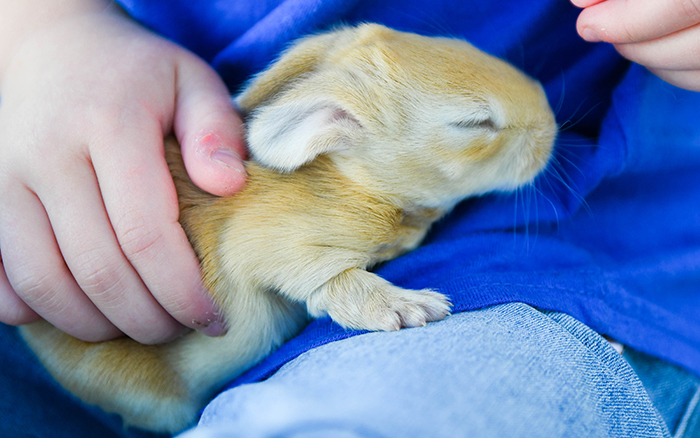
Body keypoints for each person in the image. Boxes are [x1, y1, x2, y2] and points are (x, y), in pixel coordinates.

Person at [0, 0, 699, 437]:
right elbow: (267, 245)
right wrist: (38, 26)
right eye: (475, 123)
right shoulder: (329, 184)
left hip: (563, 271)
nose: (542, 130)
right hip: (83, 224)